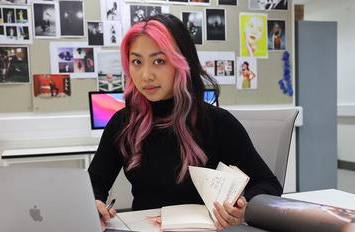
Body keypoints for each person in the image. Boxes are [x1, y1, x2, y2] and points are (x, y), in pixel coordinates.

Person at [88, 14, 282, 231]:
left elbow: (268, 184)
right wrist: (94, 202)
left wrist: (243, 207)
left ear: (182, 63)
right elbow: (94, 183)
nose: (146, 75)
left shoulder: (218, 123)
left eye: (159, 61)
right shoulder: (123, 123)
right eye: (136, 62)